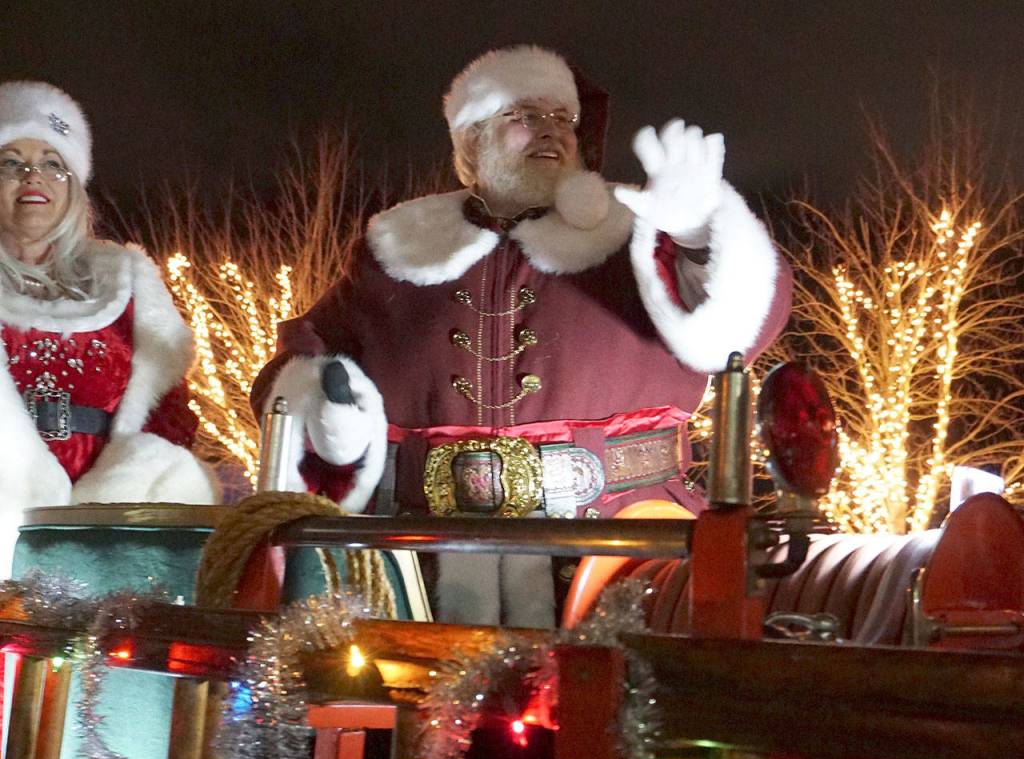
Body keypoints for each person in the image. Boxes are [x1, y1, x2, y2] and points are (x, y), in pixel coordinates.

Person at [252, 45, 791, 628]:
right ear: (471, 141)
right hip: (425, 562)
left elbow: (744, 325)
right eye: (524, 116)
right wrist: (331, 416)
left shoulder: (633, 232)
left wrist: (698, 232)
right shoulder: (396, 251)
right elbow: (304, 362)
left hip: (623, 551)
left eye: (563, 120)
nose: (551, 132)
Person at [0, 81, 218, 574]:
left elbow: (168, 414)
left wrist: (125, 491)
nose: (33, 176)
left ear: (73, 184)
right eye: (11, 161)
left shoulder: (124, 282)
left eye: (53, 163)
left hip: (106, 541)